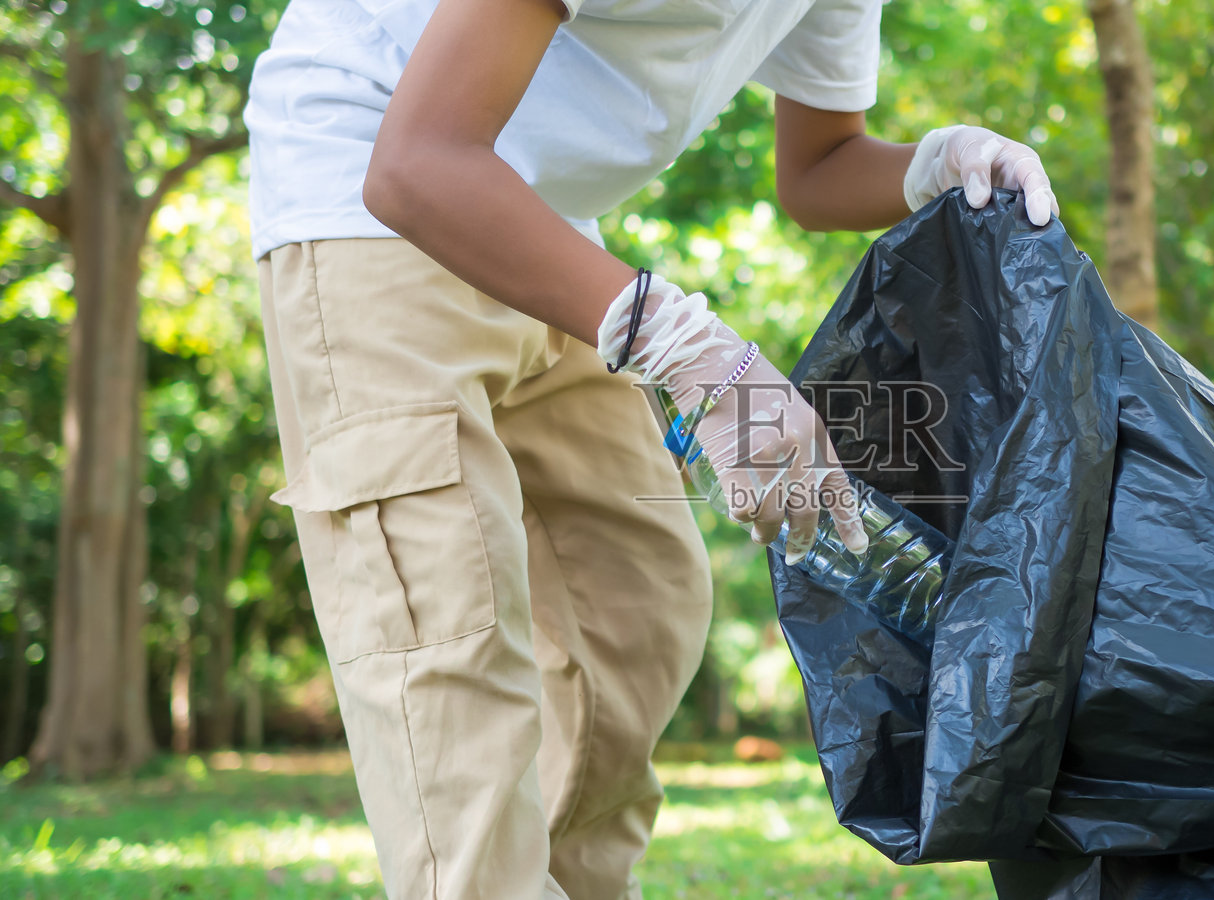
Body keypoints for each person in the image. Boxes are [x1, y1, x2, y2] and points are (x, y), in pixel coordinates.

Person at [244, 0, 1057, 897]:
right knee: (448, 630)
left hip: (538, 227)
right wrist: (690, 349)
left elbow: (818, 166)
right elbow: (416, 164)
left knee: (634, 605)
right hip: (368, 196)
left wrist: (935, 163)